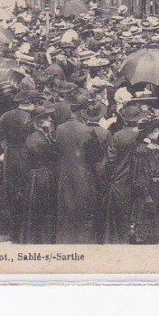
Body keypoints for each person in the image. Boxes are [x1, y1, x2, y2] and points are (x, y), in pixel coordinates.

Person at [54, 94, 105, 244]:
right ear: (82, 111)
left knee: (67, 208)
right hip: (83, 174)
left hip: (64, 175)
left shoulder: (59, 129)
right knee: (84, 209)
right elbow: (97, 156)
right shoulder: (87, 131)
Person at [0, 88, 37, 238]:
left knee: (9, 190)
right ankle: (24, 229)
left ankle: (8, 229)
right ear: (30, 103)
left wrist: (4, 146)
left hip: (10, 155)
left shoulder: (7, 115)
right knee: (26, 188)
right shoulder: (32, 118)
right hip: (26, 155)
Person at [102, 102, 143, 243]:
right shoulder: (142, 135)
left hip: (121, 178)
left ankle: (123, 236)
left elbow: (111, 159)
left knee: (121, 209)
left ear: (124, 120)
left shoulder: (118, 136)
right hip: (140, 176)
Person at [129, 113, 159, 244]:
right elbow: (140, 174)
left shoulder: (156, 147)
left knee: (156, 214)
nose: (158, 133)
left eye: (158, 130)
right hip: (148, 187)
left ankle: (154, 237)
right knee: (147, 212)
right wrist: (146, 193)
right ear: (147, 132)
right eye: (154, 130)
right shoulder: (142, 150)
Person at [20, 105, 60, 244]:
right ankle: (43, 238)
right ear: (39, 122)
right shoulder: (39, 139)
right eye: (46, 118)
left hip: (36, 176)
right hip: (43, 176)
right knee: (43, 208)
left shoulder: (36, 136)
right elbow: (52, 155)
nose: (50, 120)